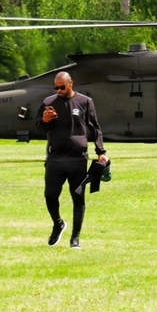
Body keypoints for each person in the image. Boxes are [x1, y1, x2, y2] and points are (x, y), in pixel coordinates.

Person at [36, 71, 107, 249]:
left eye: (62, 87)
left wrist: (101, 151)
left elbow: (95, 127)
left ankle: (75, 238)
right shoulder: (48, 103)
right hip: (55, 158)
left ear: (71, 84)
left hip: (78, 159)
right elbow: (39, 127)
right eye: (56, 87)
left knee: (78, 198)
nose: (58, 91)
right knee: (50, 195)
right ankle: (58, 223)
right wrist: (45, 120)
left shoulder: (85, 102)